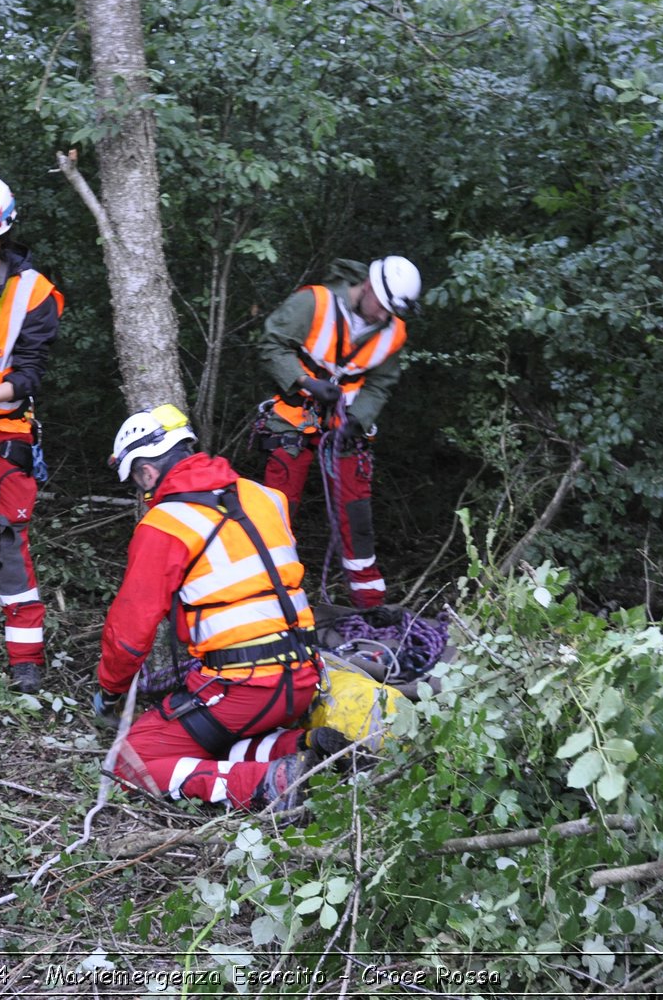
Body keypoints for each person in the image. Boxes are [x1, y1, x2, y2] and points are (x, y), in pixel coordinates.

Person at [90, 405, 347, 811]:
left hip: (242, 685)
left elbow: (130, 629)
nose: (144, 493)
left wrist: (111, 688)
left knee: (130, 762)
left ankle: (266, 783)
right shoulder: (266, 497)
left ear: (147, 471)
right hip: (301, 675)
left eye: (138, 480)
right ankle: (301, 745)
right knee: (214, 735)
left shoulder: (167, 523)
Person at [255, 256, 423, 611]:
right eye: (382, 307)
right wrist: (307, 382)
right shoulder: (313, 303)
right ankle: (267, 598)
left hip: (344, 427)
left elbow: (380, 384)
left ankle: (368, 604)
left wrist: (357, 421)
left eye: (392, 312)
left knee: (356, 514)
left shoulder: (393, 330)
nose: (383, 317)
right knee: (276, 510)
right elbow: (270, 345)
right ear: (369, 288)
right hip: (293, 418)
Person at [0, 173, 65, 694]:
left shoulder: (35, 294)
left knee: (10, 539)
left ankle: (26, 662)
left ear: (1, 233)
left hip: (3, 427)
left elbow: (29, 373)